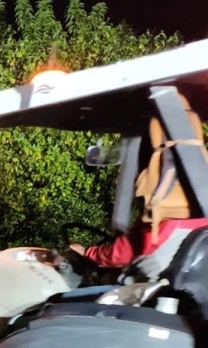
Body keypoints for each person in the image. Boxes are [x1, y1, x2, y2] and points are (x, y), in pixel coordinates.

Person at [71, 113, 208, 269]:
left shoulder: (157, 228)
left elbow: (118, 254)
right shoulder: (201, 217)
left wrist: (87, 252)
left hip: (153, 287)